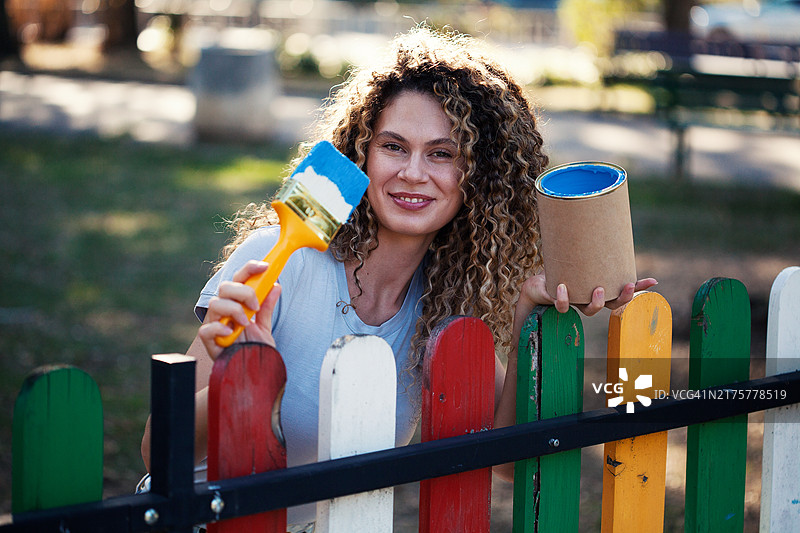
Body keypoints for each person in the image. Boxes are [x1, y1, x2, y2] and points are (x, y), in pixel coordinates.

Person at [140, 25, 656, 531]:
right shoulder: (278, 261)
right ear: (360, 154)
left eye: (441, 153)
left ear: (476, 177)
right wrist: (248, 379)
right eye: (393, 146)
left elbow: (503, 462)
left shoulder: (444, 306)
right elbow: (154, 451)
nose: (413, 172)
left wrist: (526, 310)